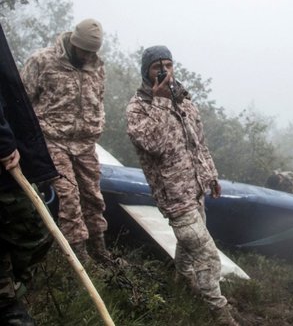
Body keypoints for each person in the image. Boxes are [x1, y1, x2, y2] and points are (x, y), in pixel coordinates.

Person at [126, 45, 239, 326]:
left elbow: (198, 144)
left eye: (168, 64)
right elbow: (154, 145)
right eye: (157, 67)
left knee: (188, 247)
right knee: (208, 255)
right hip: (174, 196)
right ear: (146, 71)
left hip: (196, 188)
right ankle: (220, 314)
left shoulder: (186, 102)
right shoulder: (138, 108)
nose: (164, 71)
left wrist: (210, 175)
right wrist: (161, 101)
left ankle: (181, 282)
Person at [21, 19, 111, 264]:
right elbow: (22, 101)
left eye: (93, 52)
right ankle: (79, 257)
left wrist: (97, 124)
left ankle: (99, 249)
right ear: (73, 43)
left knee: (93, 197)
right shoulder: (42, 61)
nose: (88, 56)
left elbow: (99, 100)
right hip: (52, 141)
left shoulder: (97, 67)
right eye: (84, 50)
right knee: (68, 195)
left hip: (85, 145)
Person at [1, 24, 58, 325]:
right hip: (10, 150)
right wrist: (4, 139)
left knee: (35, 231)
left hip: (14, 147)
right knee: (29, 227)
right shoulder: (44, 61)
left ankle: (10, 294)